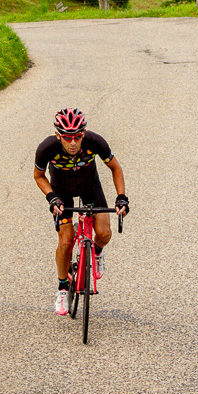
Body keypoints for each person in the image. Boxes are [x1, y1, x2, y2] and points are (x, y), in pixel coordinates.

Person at [33, 108, 129, 316]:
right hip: (61, 192)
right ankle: (61, 288)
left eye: (77, 136)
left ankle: (96, 253)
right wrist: (51, 197)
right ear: (58, 135)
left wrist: (121, 197)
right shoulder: (46, 148)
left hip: (89, 187)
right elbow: (39, 176)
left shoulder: (95, 142)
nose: (73, 142)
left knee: (104, 233)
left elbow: (116, 168)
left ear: (83, 133)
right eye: (68, 138)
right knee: (66, 241)